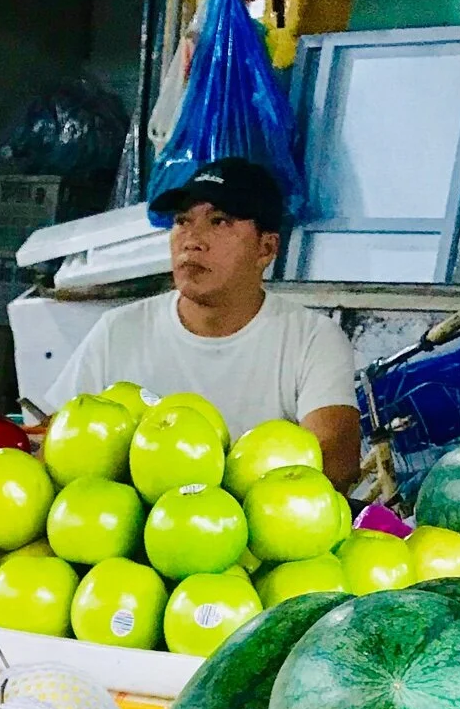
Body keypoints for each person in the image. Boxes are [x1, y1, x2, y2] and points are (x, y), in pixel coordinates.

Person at [60, 158, 362, 487]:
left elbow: (337, 460)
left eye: (219, 221)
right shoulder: (117, 331)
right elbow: (57, 441)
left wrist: (217, 499)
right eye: (182, 221)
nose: (192, 240)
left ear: (266, 248)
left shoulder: (311, 339)